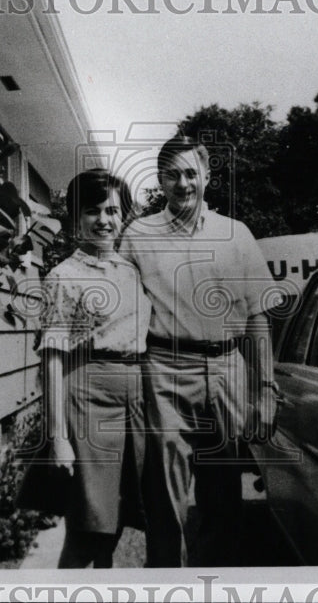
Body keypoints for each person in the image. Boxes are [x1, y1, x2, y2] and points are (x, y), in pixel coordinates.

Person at [120, 135, 278, 567]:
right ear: (160, 180)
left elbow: (258, 317)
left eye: (192, 173)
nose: (183, 183)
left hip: (228, 368)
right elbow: (122, 314)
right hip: (165, 370)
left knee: (225, 500)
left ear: (207, 176)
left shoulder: (236, 235)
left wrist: (265, 390)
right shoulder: (138, 235)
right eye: (173, 174)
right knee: (166, 501)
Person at [36, 169, 152, 568]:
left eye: (112, 210)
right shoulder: (63, 277)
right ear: (75, 218)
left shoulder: (132, 272)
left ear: (124, 216)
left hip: (135, 401)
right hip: (88, 397)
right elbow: (52, 356)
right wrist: (57, 437)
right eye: (92, 211)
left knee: (120, 518)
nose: (104, 220)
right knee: (89, 524)